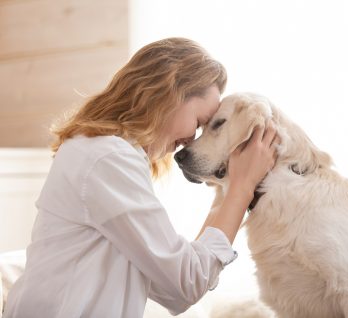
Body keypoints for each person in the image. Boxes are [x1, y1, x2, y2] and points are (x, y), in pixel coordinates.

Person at [4, 37, 277, 317]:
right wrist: (242, 189)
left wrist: (228, 189)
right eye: (198, 122)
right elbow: (186, 283)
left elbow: (172, 283)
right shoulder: (107, 157)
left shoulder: (102, 152)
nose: (190, 140)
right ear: (169, 94)